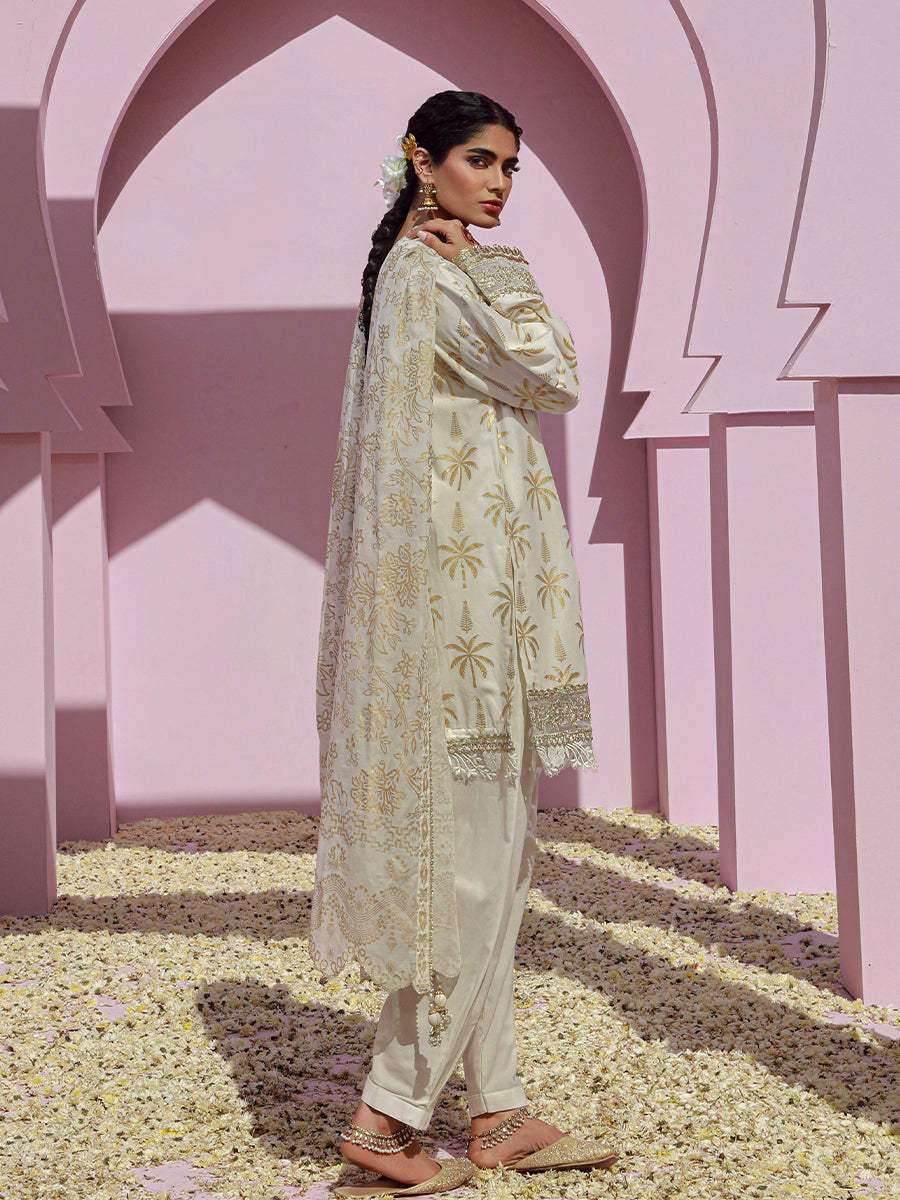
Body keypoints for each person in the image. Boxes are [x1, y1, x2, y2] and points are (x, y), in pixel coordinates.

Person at [310, 91, 617, 1198]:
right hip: (460, 635)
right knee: (474, 876)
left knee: (498, 862)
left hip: (485, 615)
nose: (497, 184)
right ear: (421, 159)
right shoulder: (434, 276)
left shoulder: (427, 271)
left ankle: (499, 1110)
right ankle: (388, 1117)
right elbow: (556, 371)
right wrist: (506, 274)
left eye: (509, 168)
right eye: (480, 161)